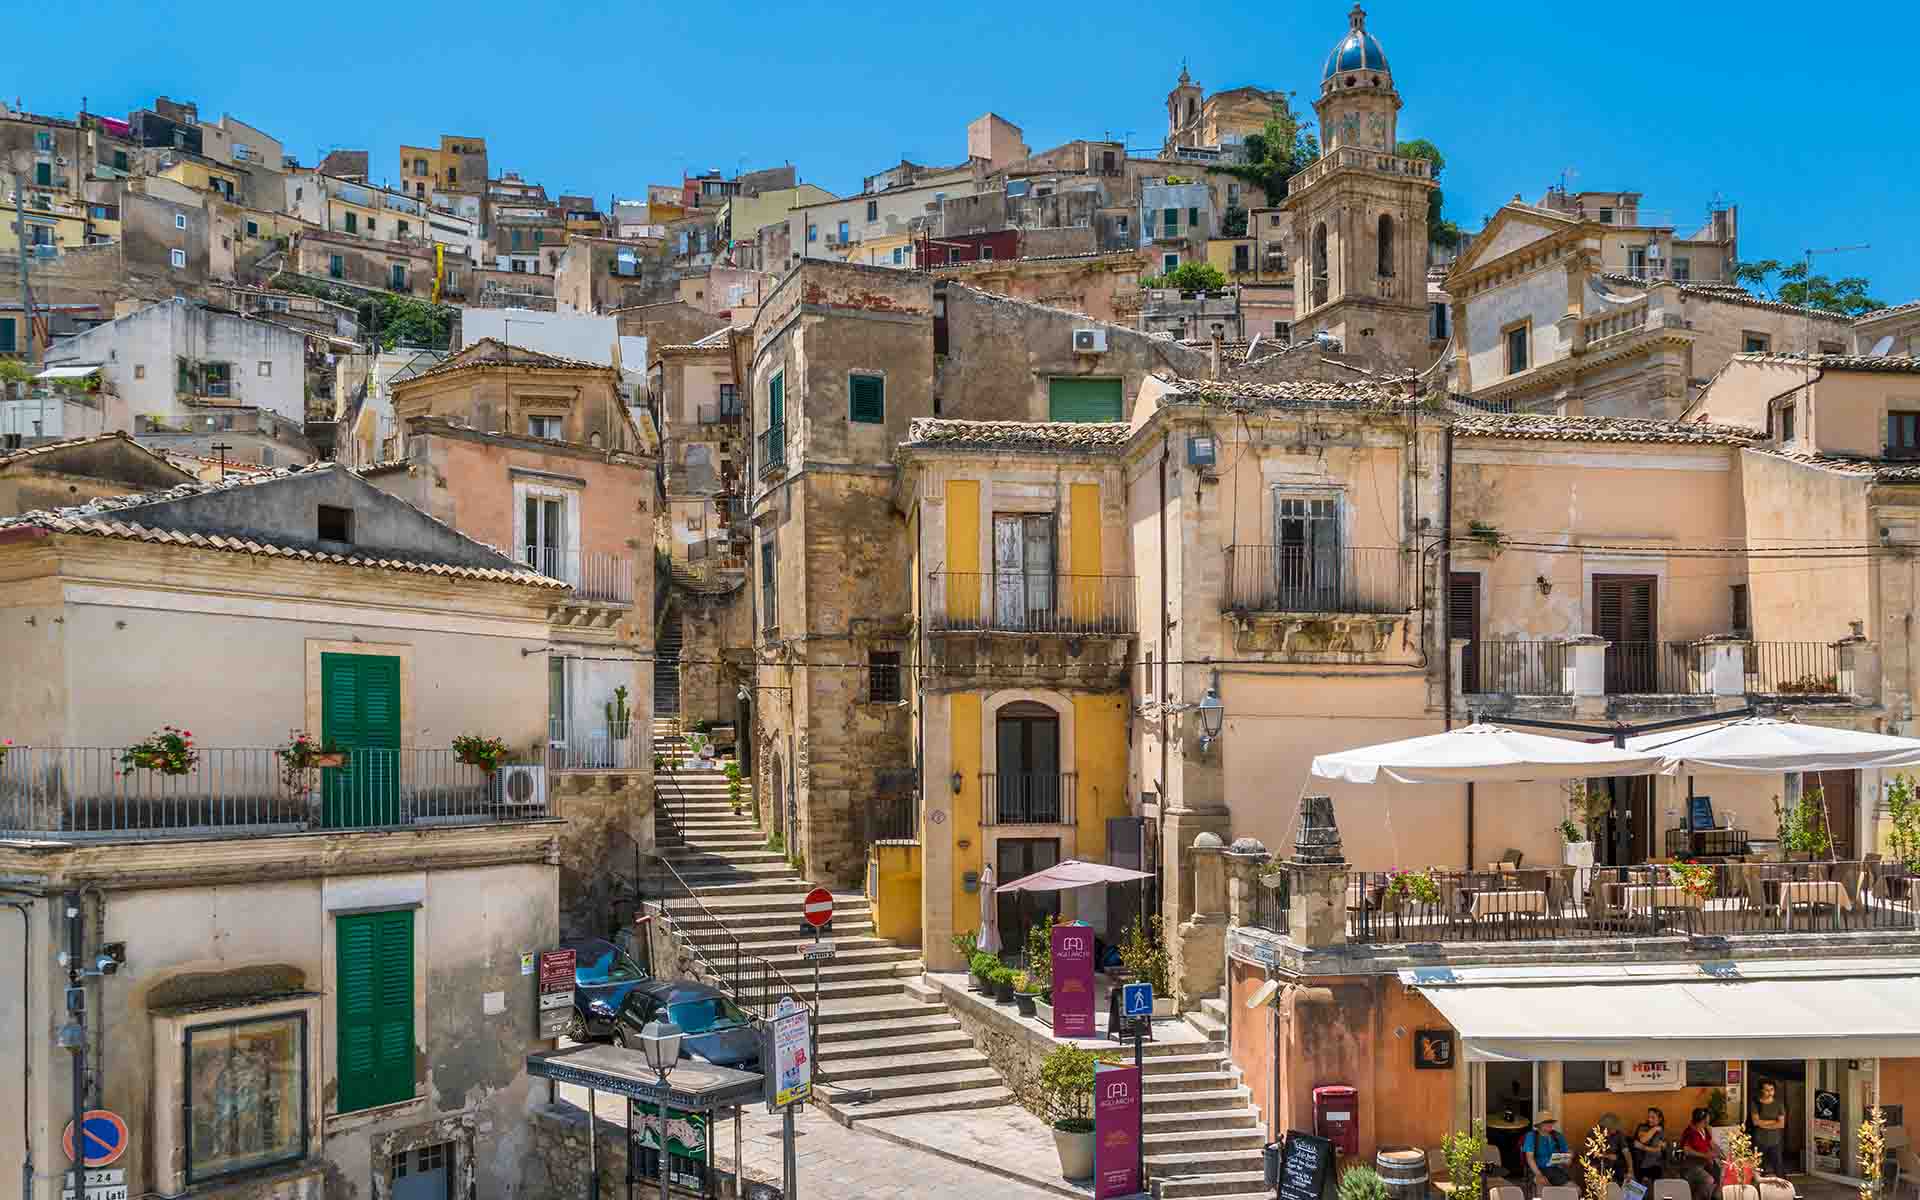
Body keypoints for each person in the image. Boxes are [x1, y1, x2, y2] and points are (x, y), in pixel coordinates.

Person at [1679, 1107, 1722, 1199]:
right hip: (1692, 1166)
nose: (1709, 1118)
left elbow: (1712, 1144)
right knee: (1709, 1180)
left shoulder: (1705, 1130)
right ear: (1703, 1119)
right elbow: (1687, 1150)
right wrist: (1705, 1155)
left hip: (1705, 1164)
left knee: (1719, 1174)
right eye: (1708, 1117)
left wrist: (1721, 1154)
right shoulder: (1689, 1132)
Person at [1524, 1111, 1573, 1188]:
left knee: (1576, 1190)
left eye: (1551, 1122)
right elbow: (1529, 1158)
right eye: (1546, 1122)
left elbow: (1567, 1156)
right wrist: (1539, 1174)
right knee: (1544, 1189)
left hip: (1555, 1170)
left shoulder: (1557, 1136)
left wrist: (1568, 1158)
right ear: (1539, 1125)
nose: (1550, 1124)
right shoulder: (1531, 1136)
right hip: (1537, 1170)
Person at [1750, 1081, 1788, 1177]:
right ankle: (1759, 1189)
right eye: (1767, 1090)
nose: (1770, 1092)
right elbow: (1755, 1122)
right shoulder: (1756, 1103)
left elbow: (1781, 1124)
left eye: (1772, 1090)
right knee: (1758, 1168)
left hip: (1775, 1141)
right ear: (1761, 1090)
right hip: (1759, 1140)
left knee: (1778, 1167)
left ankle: (1783, 1189)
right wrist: (1773, 1121)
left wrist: (1763, 1123)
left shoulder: (1779, 1104)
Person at [1597, 1113, 1637, 1184]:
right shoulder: (1596, 1135)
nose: (1616, 1129)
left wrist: (1630, 1170)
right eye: (1614, 1127)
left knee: (1630, 1181)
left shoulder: (1619, 1135)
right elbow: (1592, 1154)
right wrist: (1607, 1156)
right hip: (1602, 1168)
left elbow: (1626, 1152)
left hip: (1618, 1167)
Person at [1633, 1108, 1668, 1181]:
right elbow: (1643, 1139)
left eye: (1653, 1117)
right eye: (1649, 1117)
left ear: (1660, 1119)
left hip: (1655, 1165)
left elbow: (1658, 1150)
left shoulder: (1661, 1132)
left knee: (1655, 1189)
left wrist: (1643, 1147)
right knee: (1636, 1190)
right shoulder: (1642, 1127)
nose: (1649, 1119)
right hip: (1640, 1164)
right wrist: (1655, 1129)